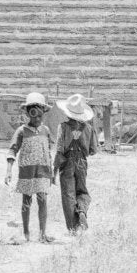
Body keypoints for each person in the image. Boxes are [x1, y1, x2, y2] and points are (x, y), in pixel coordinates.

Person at [8, 91, 56, 242]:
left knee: (42, 201)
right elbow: (12, 150)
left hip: (42, 172)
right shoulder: (22, 131)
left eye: (40, 115)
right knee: (26, 202)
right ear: (28, 114)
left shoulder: (46, 131)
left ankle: (42, 234)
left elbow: (48, 152)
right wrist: (8, 171)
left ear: (43, 114)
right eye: (33, 115)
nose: (37, 118)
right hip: (27, 172)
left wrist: (52, 173)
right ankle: (26, 233)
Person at [54, 93, 96, 233]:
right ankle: (82, 210)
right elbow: (92, 150)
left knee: (68, 194)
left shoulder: (63, 127)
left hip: (67, 162)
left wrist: (54, 171)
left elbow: (59, 149)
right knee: (82, 191)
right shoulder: (89, 128)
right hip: (82, 162)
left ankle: (73, 227)